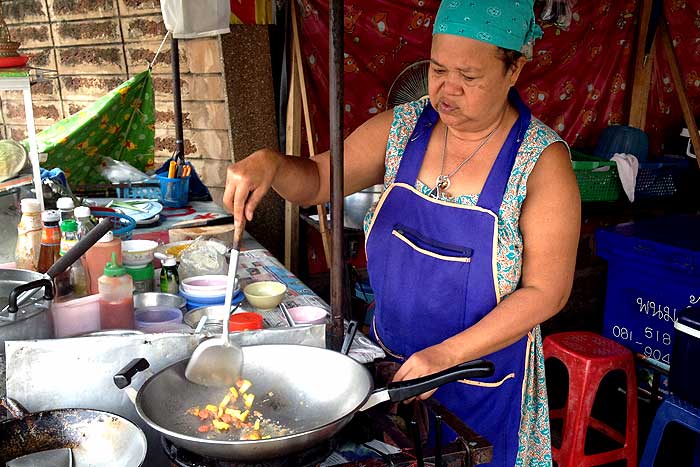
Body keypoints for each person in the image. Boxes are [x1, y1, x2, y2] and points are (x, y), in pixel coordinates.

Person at [224, 1, 580, 465]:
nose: (446, 90)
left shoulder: (540, 162)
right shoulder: (404, 127)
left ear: (514, 69)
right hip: (391, 368)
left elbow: (546, 292)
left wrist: (444, 356)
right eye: (437, 69)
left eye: (468, 77)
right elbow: (315, 180)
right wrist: (270, 162)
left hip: (480, 384)